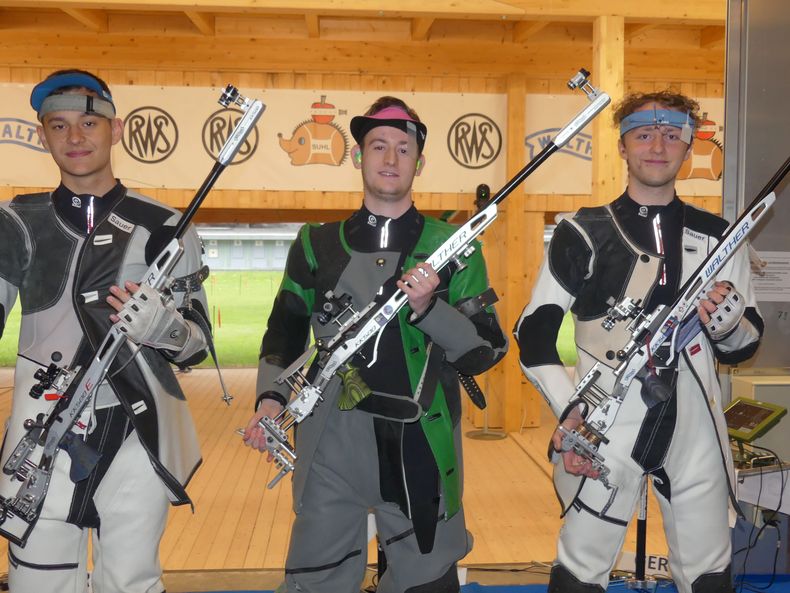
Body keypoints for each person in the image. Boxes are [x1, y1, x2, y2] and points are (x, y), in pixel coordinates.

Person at [243, 96, 507, 593]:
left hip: (421, 441)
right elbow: (284, 328)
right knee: (314, 581)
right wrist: (270, 397)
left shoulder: (455, 246)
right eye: (378, 146)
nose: (390, 159)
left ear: (419, 163)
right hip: (329, 443)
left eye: (403, 149)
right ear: (358, 157)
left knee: (427, 580)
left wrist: (430, 309)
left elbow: (485, 352)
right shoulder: (313, 243)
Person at [514, 91, 763, 593]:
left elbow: (745, 343)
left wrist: (728, 325)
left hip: (696, 433)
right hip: (606, 429)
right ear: (623, 146)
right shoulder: (581, 232)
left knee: (710, 576)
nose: (658, 145)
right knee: (580, 574)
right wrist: (572, 413)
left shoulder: (722, 237)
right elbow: (533, 334)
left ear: (689, 145)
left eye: (672, 134)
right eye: (643, 134)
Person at [0, 69, 211, 592]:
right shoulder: (15, 221)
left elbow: (197, 345)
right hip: (39, 433)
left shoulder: (169, 227)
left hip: (140, 437)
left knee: (131, 582)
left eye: (90, 122)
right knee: (36, 584)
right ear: (44, 134)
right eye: (59, 125)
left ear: (116, 131)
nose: (75, 137)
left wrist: (166, 329)